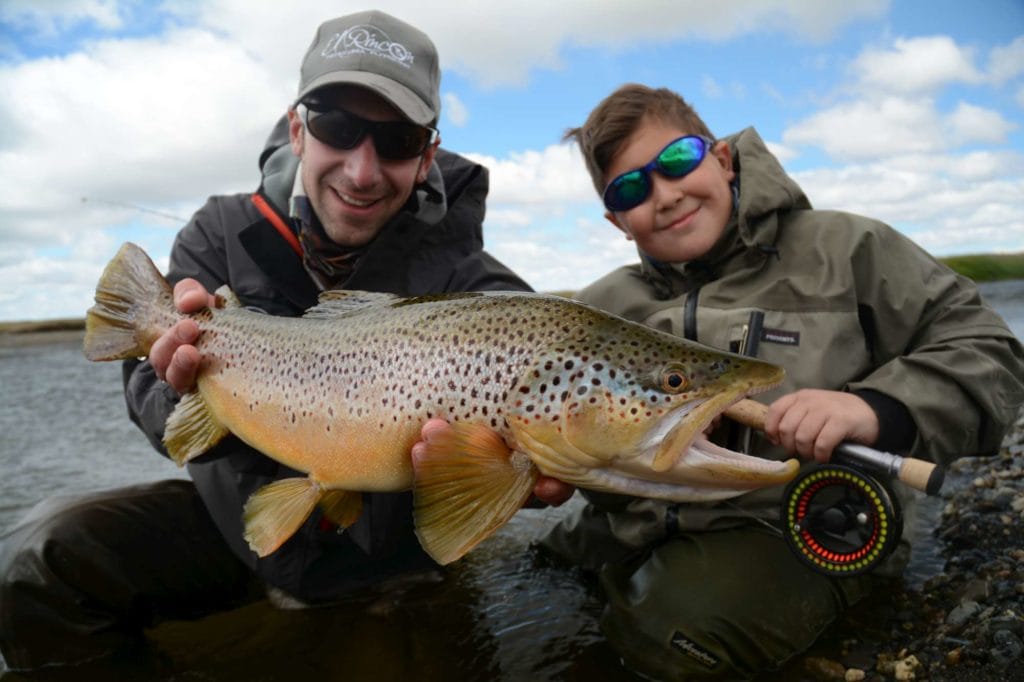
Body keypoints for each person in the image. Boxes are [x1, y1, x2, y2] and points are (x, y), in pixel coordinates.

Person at [0, 11, 569, 670]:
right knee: (35, 562)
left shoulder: (464, 274)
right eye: (338, 127)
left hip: (400, 561)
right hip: (239, 533)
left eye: (397, 140)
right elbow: (160, 417)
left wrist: (551, 452)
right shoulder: (218, 235)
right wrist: (174, 387)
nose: (362, 170)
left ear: (427, 156)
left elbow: (527, 323)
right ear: (299, 129)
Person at [536, 83, 1024, 680]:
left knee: (666, 637)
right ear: (617, 220)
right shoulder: (602, 307)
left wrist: (876, 408)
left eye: (676, 161)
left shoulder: (848, 250)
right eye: (632, 188)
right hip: (634, 522)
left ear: (720, 158)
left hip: (798, 524)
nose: (663, 195)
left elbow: (991, 350)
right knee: (522, 568)